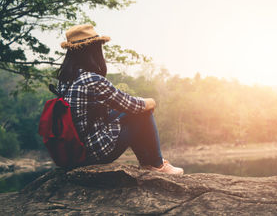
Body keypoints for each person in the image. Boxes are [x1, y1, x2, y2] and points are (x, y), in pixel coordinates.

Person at [57, 24, 183, 175]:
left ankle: (150, 164)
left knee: (127, 112)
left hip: (75, 151)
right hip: (92, 152)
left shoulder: (65, 80)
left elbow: (116, 106)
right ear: (93, 50)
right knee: (143, 112)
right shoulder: (91, 79)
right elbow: (133, 105)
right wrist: (150, 102)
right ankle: (156, 164)